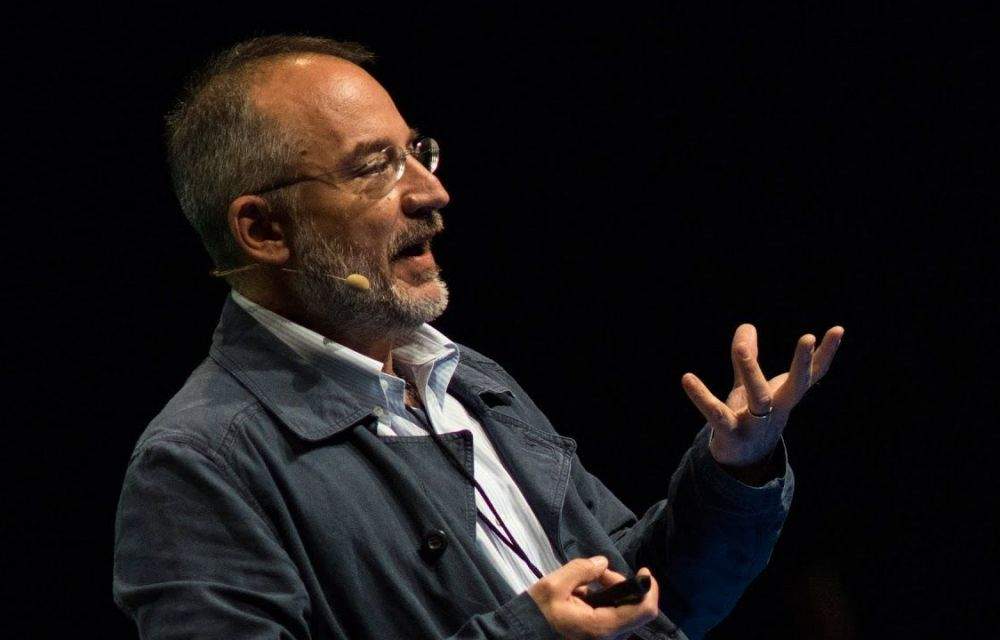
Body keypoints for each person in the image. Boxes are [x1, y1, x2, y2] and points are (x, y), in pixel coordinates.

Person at [112, 35, 844, 640]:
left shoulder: (465, 379)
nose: (431, 192)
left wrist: (734, 470)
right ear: (264, 230)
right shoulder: (200, 466)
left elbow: (647, 604)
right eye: (374, 168)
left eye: (416, 152)